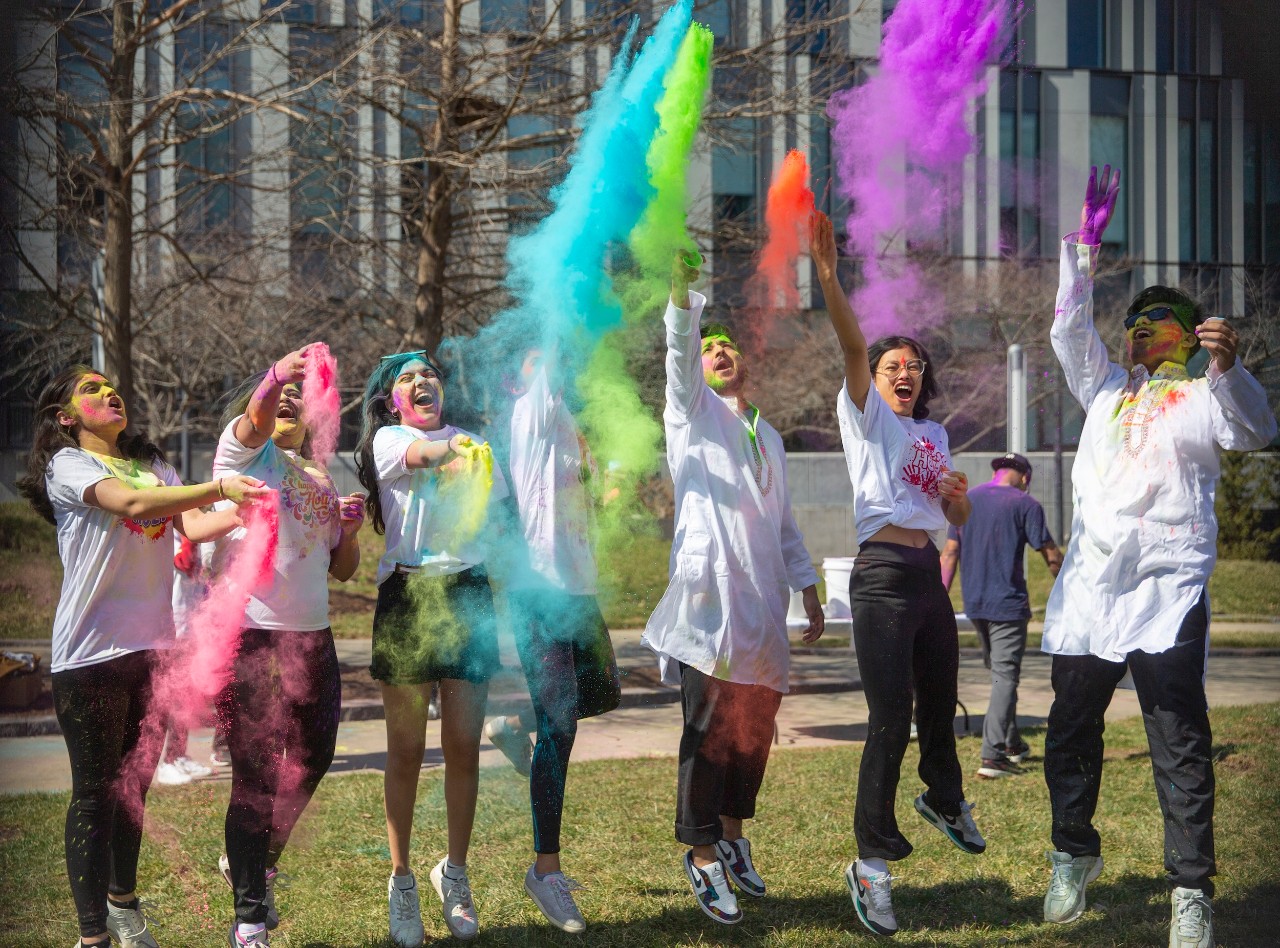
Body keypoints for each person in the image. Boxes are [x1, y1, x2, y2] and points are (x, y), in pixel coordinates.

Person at [1039, 165, 1277, 947]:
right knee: (1071, 731)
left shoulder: (1208, 394)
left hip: (1167, 591)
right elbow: (1067, 333)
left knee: (1178, 740)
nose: (1139, 327)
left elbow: (1254, 431)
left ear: (1189, 331)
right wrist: (1085, 255)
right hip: (1089, 594)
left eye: (1157, 318)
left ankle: (1190, 891)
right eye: (1134, 319)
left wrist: (1229, 365)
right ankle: (1073, 854)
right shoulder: (1106, 388)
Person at [17, 365, 266, 948]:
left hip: (154, 651)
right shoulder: (70, 466)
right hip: (89, 656)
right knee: (95, 792)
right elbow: (130, 504)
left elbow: (197, 525)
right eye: (90, 390)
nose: (109, 393)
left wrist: (252, 506)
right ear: (65, 417)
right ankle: (92, 936)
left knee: (135, 787)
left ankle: (124, 907)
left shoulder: (155, 465)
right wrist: (218, 489)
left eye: (111, 386)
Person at [810, 211, 986, 938]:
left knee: (939, 704)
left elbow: (958, 522)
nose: (904, 373)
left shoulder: (932, 434)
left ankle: (943, 797)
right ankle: (870, 864)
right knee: (890, 719)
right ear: (873, 381)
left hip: (925, 573)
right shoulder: (865, 417)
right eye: (892, 367)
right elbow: (853, 344)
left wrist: (959, 500)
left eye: (913, 365)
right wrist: (827, 275)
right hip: (881, 573)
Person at [642, 252, 824, 927]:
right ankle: (700, 853)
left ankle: (734, 836)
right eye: (708, 346)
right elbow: (679, 359)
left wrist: (806, 585)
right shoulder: (690, 416)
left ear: (747, 362)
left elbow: (781, 521)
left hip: (763, 602)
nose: (717, 353)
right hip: (709, 602)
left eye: (727, 346)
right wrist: (686, 297)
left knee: (753, 729)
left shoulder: (766, 434)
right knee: (707, 725)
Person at [211, 347, 365, 948]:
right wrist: (278, 374)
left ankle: (254, 861)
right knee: (254, 775)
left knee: (315, 755)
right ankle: (249, 914)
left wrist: (348, 531)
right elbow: (254, 417)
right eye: (280, 399)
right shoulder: (245, 453)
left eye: (300, 402)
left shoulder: (320, 475)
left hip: (314, 636)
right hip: (253, 635)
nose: (288, 406)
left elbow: (343, 568)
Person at [355, 350, 510, 946]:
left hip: (467, 593)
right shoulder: (390, 441)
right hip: (409, 595)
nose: (423, 384)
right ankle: (401, 880)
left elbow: (487, 511)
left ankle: (457, 873)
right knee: (405, 750)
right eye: (408, 379)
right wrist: (461, 454)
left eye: (431, 375)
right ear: (391, 399)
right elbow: (426, 456)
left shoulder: (470, 440)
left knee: (464, 748)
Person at [481, 344, 621, 933]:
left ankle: (519, 731)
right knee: (561, 724)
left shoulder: (567, 419)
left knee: (604, 694)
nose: (554, 366)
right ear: (519, 381)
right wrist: (568, 275)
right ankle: (546, 869)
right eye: (538, 361)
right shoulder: (527, 414)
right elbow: (557, 326)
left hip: (578, 588)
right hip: (538, 590)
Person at [940, 452, 1062, 778]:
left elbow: (950, 552)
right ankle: (992, 756)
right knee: (1004, 678)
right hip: (1007, 605)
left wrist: (939, 598)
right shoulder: (1026, 503)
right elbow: (1049, 553)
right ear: (1025, 477)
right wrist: (1069, 588)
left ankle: (1012, 744)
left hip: (975, 604)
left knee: (999, 677)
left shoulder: (966, 499)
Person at [153, 536, 215, 786]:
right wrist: (191, 540)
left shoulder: (195, 532)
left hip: (193, 625)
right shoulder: (172, 534)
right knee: (173, 697)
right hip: (175, 627)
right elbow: (183, 562)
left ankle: (179, 754)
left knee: (188, 696)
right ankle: (166, 763)